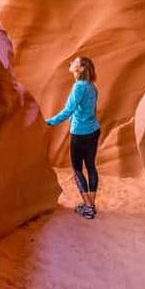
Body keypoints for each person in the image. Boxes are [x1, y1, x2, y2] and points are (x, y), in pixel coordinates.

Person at [44, 56, 100, 219]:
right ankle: (91, 204)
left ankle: (89, 207)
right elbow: (91, 110)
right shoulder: (92, 87)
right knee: (90, 166)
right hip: (94, 130)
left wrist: (49, 122)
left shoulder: (79, 87)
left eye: (75, 62)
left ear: (81, 68)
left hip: (80, 133)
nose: (71, 64)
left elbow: (69, 110)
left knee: (77, 168)